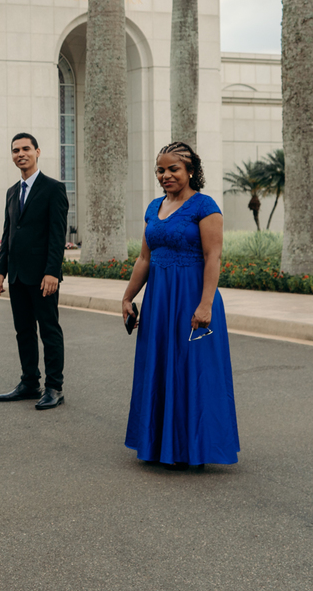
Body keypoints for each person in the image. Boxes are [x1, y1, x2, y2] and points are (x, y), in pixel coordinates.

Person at [121, 142, 240, 466]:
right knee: (159, 366)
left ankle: (195, 448)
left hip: (192, 297)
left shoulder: (205, 206)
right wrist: (129, 296)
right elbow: (145, 258)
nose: (166, 175)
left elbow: (212, 256)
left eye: (173, 168)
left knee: (194, 370)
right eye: (161, 169)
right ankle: (161, 444)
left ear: (190, 171)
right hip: (159, 301)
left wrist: (205, 305)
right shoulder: (153, 208)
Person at [0, 133, 70, 410]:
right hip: (16, 275)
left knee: (49, 330)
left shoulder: (53, 189)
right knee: (23, 331)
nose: (20, 154)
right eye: (15, 150)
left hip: (43, 277)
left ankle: (54, 387)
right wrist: (1, 270)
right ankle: (29, 382)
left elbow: (57, 235)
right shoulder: (12, 192)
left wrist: (52, 272)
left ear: (38, 152)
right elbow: (8, 233)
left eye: (26, 149)